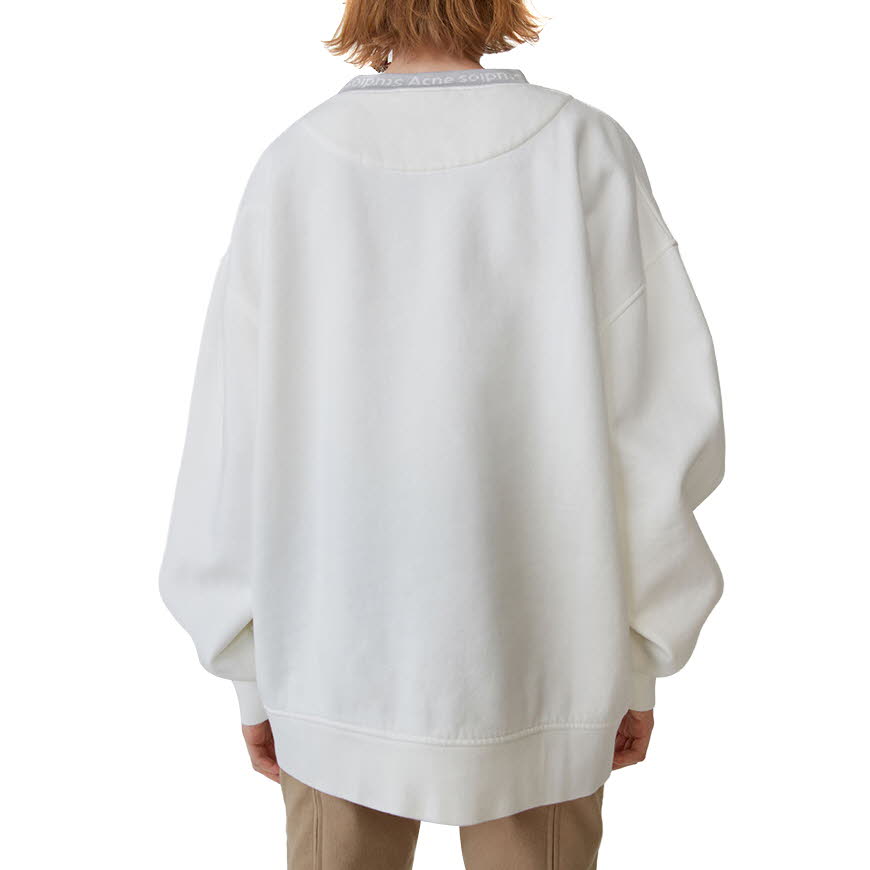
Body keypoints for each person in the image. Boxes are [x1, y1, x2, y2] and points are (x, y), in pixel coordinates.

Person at [158, 1, 725, 866]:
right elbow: (656, 429)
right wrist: (641, 657)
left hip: (330, 671)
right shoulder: (583, 151)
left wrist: (248, 672)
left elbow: (232, 448)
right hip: (545, 669)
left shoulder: (294, 167)